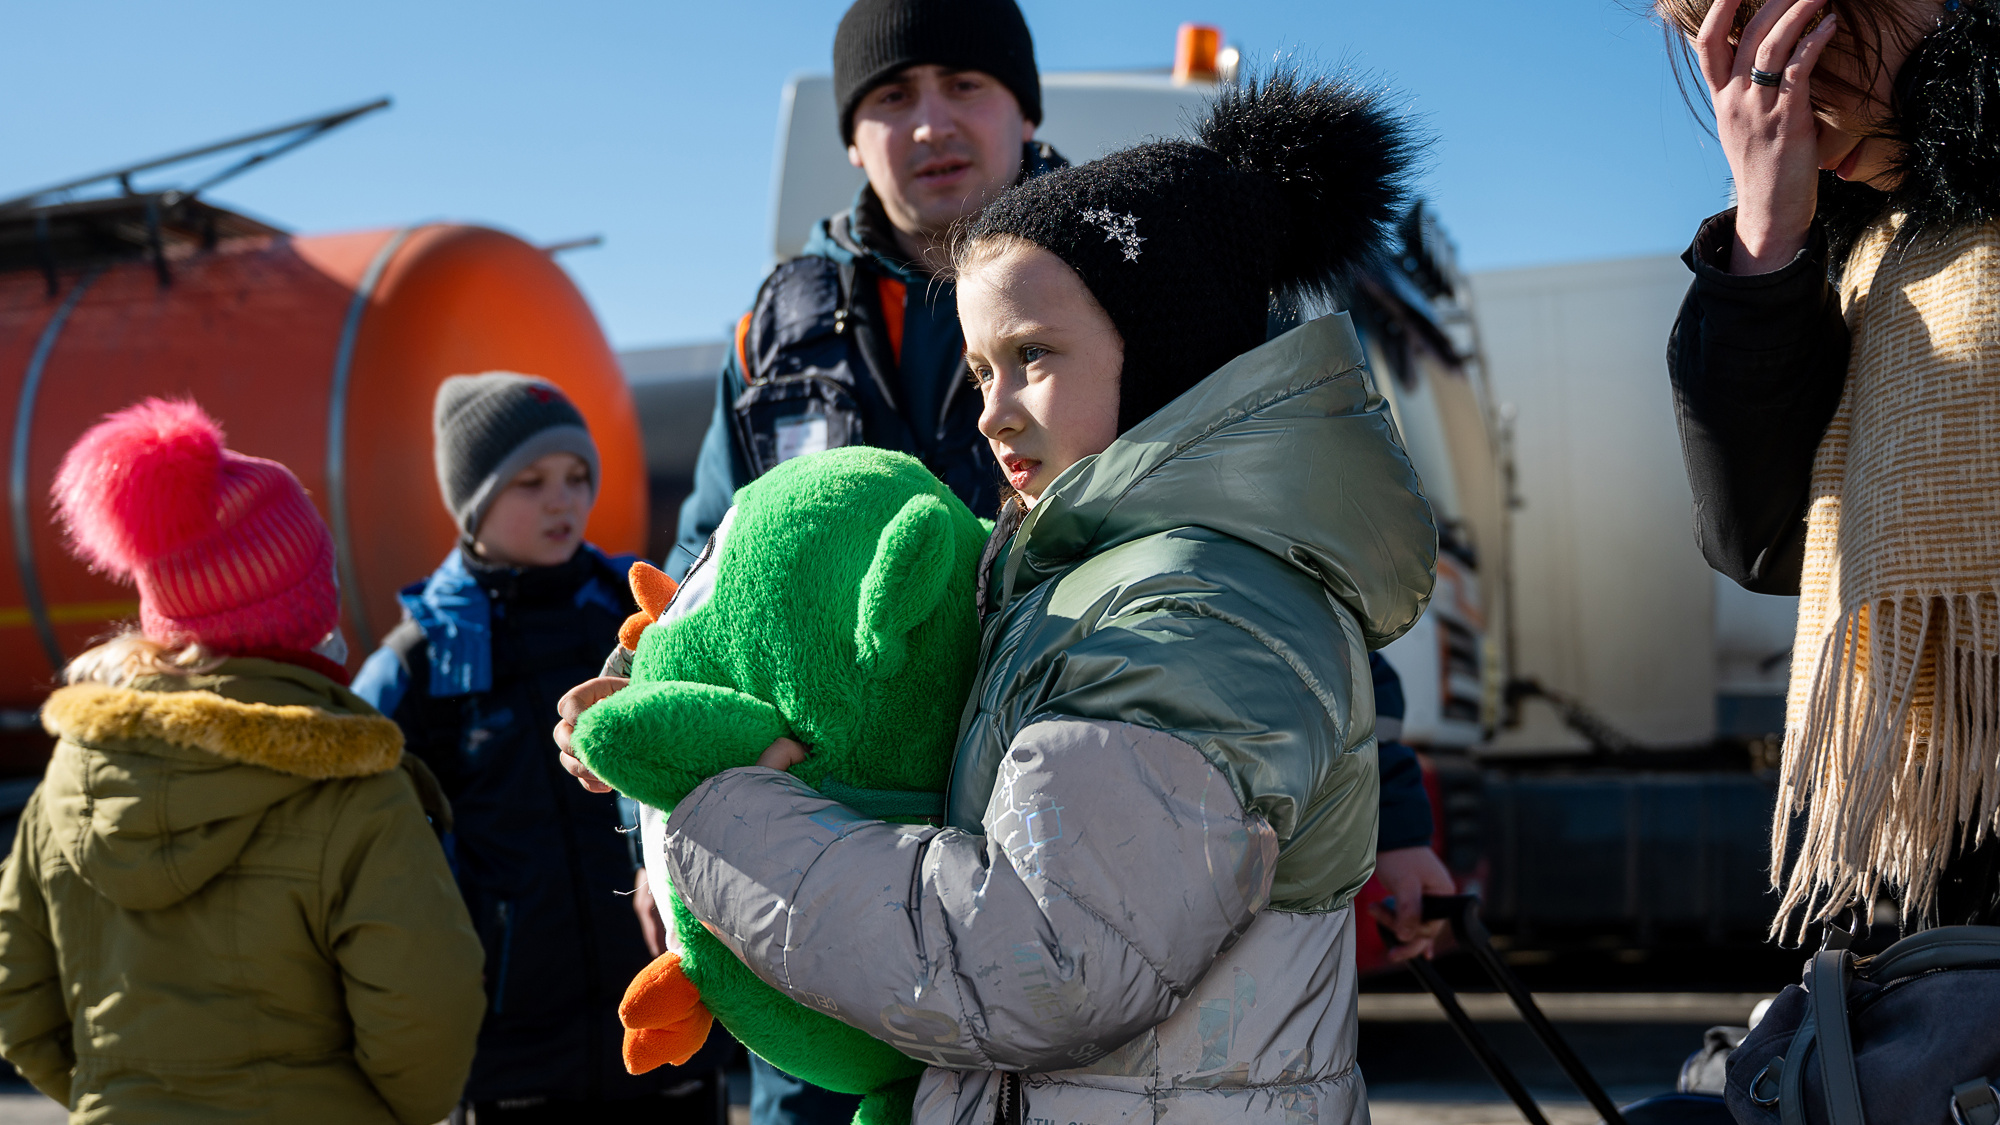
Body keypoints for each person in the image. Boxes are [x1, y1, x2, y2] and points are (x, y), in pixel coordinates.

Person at [573, 69, 1437, 1124]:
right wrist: (648, 691)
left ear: (1166, 350)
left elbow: (1040, 967)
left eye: (1029, 359)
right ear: (849, 138)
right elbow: (712, 570)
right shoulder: (1075, 560)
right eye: (983, 370)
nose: (991, 416)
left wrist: (717, 816)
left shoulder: (1187, 611)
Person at [0, 398, 486, 1123]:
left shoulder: (68, 788)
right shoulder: (350, 786)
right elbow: (428, 1003)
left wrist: (121, 1092)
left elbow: (18, 999)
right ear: (309, 609)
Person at [1659, 0, 2000, 936]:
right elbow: (1760, 540)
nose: (1783, 99)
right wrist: (1767, 237)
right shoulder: (1866, 255)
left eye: (1785, 44)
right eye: (1741, 67)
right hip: (1957, 865)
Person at [351, 374, 719, 1121]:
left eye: (577, 475)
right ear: (472, 502)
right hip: (505, 1049)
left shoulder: (645, 612)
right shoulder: (416, 661)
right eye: (531, 481)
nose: (564, 499)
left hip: (663, 1020)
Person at [671, 0, 1061, 582]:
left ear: (1026, 114)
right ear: (853, 141)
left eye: (963, 84)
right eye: (893, 96)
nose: (932, 125)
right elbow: (708, 561)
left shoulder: (1123, 283)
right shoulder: (770, 335)